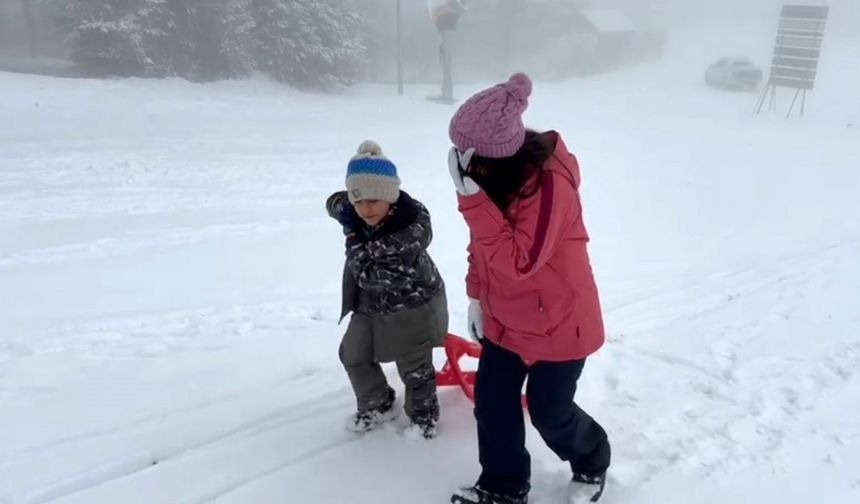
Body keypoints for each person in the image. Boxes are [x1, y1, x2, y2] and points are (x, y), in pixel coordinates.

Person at [446, 73, 611, 503]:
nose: (461, 161)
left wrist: (472, 201)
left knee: (549, 412)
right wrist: (476, 296)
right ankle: (503, 487)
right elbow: (482, 247)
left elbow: (520, 260)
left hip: (560, 324)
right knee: (494, 403)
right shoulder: (492, 182)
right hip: (506, 320)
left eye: (469, 154)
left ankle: (592, 460)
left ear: (495, 155)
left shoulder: (550, 186)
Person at [326, 140, 449, 439]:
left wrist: (353, 237)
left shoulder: (406, 234)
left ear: (390, 199)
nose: (365, 209)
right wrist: (343, 206)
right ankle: (377, 403)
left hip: (412, 308)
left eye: (372, 202)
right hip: (370, 305)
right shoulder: (360, 207)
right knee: (353, 354)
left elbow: (370, 276)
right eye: (358, 202)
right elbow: (336, 201)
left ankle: (423, 422)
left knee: (414, 367)